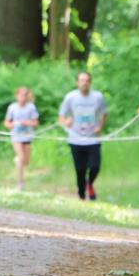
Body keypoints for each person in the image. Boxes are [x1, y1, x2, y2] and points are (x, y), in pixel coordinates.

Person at [59, 72, 108, 200]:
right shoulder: (70, 97)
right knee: (80, 171)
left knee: (95, 167)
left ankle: (89, 184)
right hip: (76, 139)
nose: (84, 83)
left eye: (86, 80)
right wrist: (66, 122)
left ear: (90, 83)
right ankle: (81, 196)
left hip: (93, 139)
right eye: (81, 80)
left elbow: (104, 113)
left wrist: (100, 127)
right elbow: (61, 116)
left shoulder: (98, 97)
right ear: (77, 82)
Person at [4, 87, 39, 190]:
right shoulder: (12, 107)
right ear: (17, 96)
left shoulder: (31, 107)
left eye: (25, 95)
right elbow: (6, 122)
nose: (22, 97)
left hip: (27, 136)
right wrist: (10, 125)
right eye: (21, 95)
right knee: (21, 157)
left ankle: (18, 160)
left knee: (26, 161)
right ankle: (20, 184)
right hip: (16, 136)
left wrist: (26, 122)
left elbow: (36, 122)